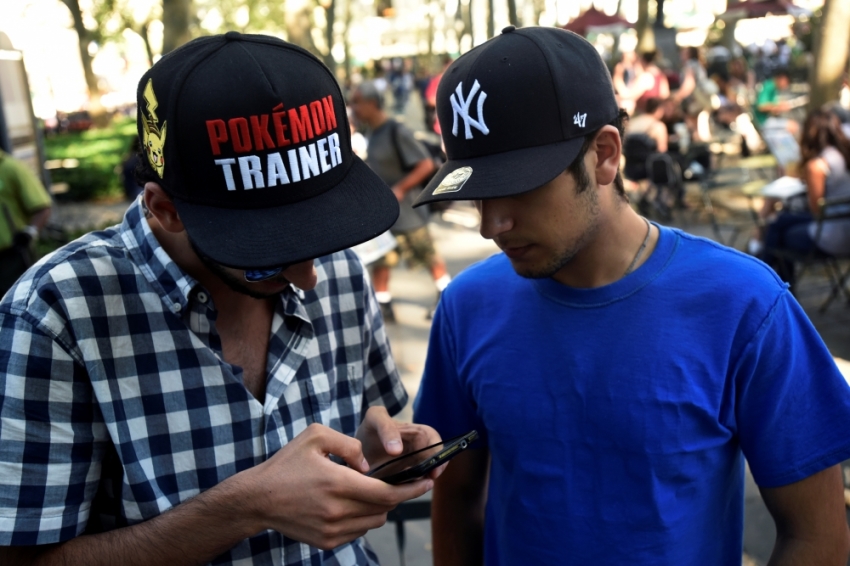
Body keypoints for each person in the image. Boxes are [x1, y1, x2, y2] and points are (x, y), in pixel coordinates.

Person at [411, 26, 850, 565]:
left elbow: (816, 534)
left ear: (604, 154)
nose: (491, 225)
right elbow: (455, 498)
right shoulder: (467, 308)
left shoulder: (744, 306)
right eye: (477, 194)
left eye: (519, 188)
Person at [0, 33, 443, 566]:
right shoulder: (57, 314)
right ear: (165, 209)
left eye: (323, 234)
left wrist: (369, 450)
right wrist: (243, 507)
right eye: (267, 251)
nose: (309, 276)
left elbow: (366, 413)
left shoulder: (341, 271)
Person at [349, 81, 450, 322]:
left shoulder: (396, 130)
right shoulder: (371, 132)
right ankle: (383, 308)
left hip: (409, 215)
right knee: (381, 263)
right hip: (387, 218)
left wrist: (400, 189)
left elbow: (426, 164)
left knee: (428, 257)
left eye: (357, 103)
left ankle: (447, 301)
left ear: (373, 104)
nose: (353, 108)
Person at [762, 109, 850, 286]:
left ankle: (770, 282)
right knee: (780, 221)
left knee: (778, 234)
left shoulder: (816, 166)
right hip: (845, 227)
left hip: (833, 238)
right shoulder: (844, 154)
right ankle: (771, 283)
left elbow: (816, 210)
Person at [0, 148, 52, 296]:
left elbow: (42, 207)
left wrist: (30, 233)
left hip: (12, 256)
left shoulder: (11, 167)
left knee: (17, 303)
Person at [633, 51, 670, 115]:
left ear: (643, 61)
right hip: (657, 113)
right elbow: (665, 94)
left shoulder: (646, 76)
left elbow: (633, 95)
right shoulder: (661, 75)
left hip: (645, 113)